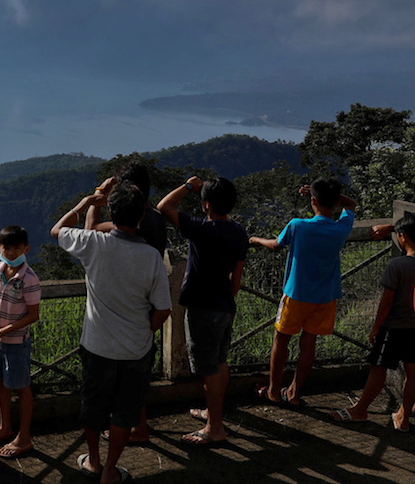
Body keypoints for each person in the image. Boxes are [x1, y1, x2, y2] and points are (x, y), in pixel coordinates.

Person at [52, 181, 172, 484]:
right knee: (125, 412)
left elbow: (57, 231)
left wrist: (87, 202)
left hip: (96, 346)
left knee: (92, 406)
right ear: (141, 217)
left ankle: (93, 461)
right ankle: (110, 471)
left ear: (112, 213)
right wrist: (144, 330)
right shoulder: (151, 258)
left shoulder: (94, 243)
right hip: (136, 350)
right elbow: (163, 309)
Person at [250, 177, 356, 407]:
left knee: (281, 339)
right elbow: (351, 205)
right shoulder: (340, 228)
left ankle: (273, 392)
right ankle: (295, 394)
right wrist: (326, 196)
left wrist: (256, 239)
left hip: (296, 294)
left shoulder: (298, 225)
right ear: (333, 201)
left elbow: (277, 244)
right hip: (326, 297)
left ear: (313, 201)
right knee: (309, 344)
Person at [157, 176, 248, 446]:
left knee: (209, 370)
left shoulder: (201, 229)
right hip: (224, 306)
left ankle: (215, 428)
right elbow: (237, 279)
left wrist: (187, 186)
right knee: (220, 362)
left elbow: (163, 206)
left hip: (202, 308)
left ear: (206, 205)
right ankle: (213, 412)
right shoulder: (239, 232)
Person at [85, 163, 167, 444]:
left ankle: (131, 429)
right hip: (146, 302)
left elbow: (91, 229)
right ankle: (138, 427)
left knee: (120, 385)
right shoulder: (155, 218)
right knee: (137, 380)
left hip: (121, 309)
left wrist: (99, 195)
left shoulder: (136, 221)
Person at [331, 213, 415, 430]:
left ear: (403, 237)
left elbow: (386, 302)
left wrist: (376, 327)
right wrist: (393, 226)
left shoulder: (397, 266)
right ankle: (404, 418)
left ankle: (360, 410)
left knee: (378, 369)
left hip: (393, 328)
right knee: (413, 373)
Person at [0, 225, 40, 459]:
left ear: (26, 248)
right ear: (0, 248)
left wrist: (6, 329)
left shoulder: (29, 278)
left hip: (17, 343)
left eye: (17, 247)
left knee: (22, 387)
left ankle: (24, 437)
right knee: (1, 383)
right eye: (7, 247)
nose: (12, 252)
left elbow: (33, 315)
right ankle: (5, 427)